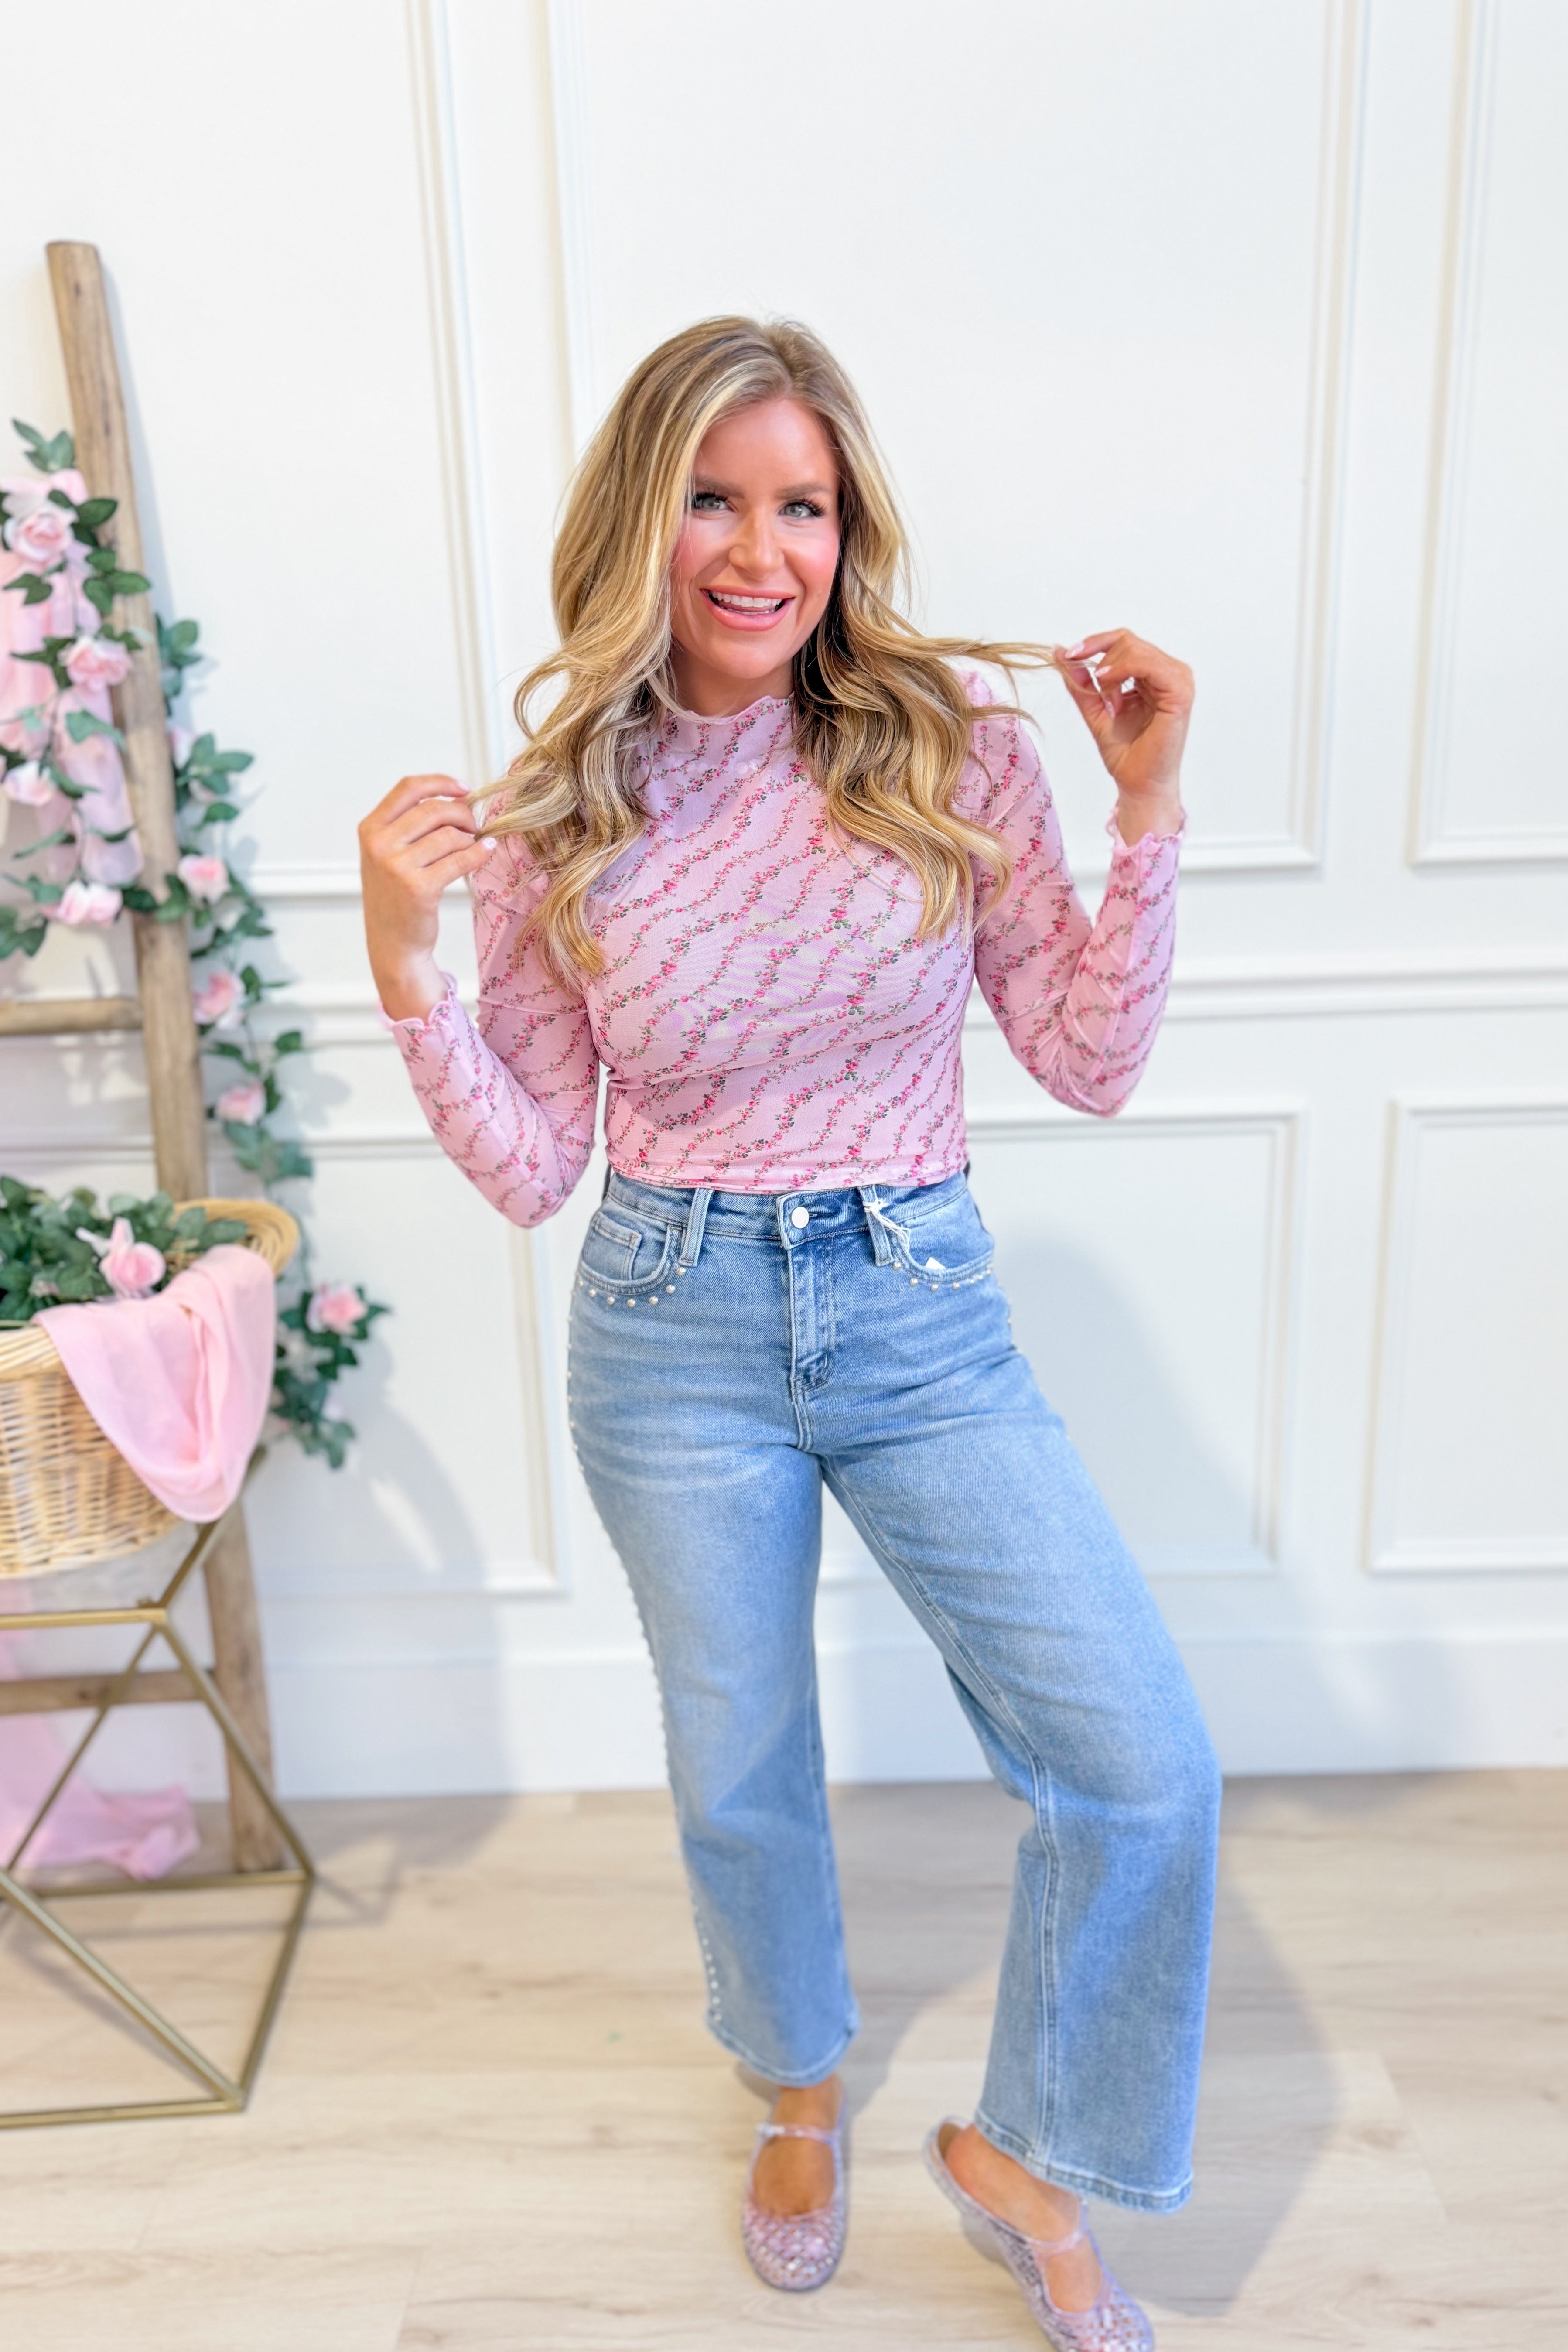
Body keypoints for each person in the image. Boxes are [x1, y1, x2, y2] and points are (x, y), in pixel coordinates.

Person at [359, 316, 1220, 2351]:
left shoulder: (952, 748)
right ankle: (798, 2090)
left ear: (847, 528)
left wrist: (1149, 809)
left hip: (915, 1305)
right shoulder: (563, 806)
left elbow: (1087, 1059)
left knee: (1140, 1763)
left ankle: (1028, 2155)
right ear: (637, 521)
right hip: (672, 1326)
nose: (763, 551)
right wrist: (406, 966)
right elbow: (528, 1166)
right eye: (713, 500)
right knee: (742, 1765)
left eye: (803, 506)